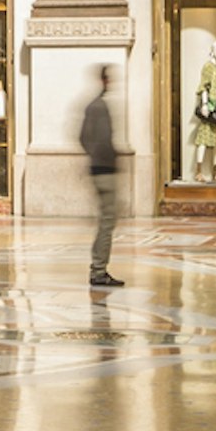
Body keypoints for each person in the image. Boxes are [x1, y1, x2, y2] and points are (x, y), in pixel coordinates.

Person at [80, 66, 126, 289]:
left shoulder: (92, 106)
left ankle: (98, 268)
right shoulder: (100, 107)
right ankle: (98, 269)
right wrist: (109, 160)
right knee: (108, 221)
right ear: (105, 80)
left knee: (106, 220)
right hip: (104, 169)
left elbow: (83, 138)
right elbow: (103, 140)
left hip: (98, 167)